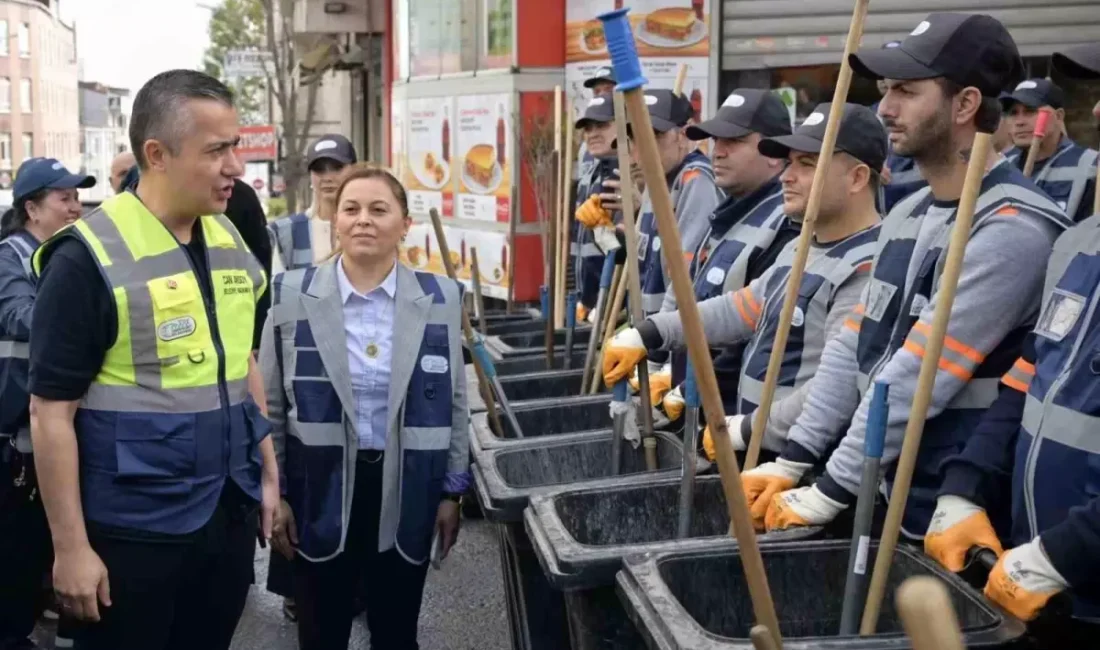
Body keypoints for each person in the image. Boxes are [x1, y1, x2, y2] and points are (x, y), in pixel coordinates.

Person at [737, 13, 1073, 538]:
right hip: (889, 486)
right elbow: (854, 343)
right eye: (886, 89)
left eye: (907, 91)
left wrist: (831, 490)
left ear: (964, 104)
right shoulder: (909, 212)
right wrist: (794, 459)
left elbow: (920, 374)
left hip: (954, 514)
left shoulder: (1012, 229)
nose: (885, 108)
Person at [27, 70, 276, 650]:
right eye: (218, 150)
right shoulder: (85, 260)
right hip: (132, 533)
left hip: (225, 513)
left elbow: (241, 363)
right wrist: (70, 549)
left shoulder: (228, 240)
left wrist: (267, 471)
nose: (235, 166)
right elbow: (49, 414)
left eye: (235, 146)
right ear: (156, 154)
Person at [603, 103, 884, 487]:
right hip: (759, 454)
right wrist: (651, 332)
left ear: (856, 178)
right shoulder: (804, 245)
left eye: (807, 164)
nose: (789, 175)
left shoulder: (867, 266)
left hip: (799, 470)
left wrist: (748, 429)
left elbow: (834, 389)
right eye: (789, 163)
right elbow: (741, 308)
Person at [923, 42, 1100, 644]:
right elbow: (1028, 376)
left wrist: (1069, 551)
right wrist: (965, 486)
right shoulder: (1080, 244)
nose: (1098, 113)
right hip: (1040, 589)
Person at [263, 164, 469, 650]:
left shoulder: (440, 297)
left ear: (404, 224)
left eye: (380, 209)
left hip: (408, 484)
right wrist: (277, 495)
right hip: (319, 486)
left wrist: (451, 492)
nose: (363, 220)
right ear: (334, 220)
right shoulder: (292, 294)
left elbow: (455, 403)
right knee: (321, 630)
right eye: (351, 209)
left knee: (397, 630)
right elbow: (271, 405)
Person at [0, 159, 94, 650]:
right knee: (14, 562)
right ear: (32, 208)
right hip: (15, 443)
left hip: (44, 436)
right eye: (64, 198)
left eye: (78, 198)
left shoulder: (60, 255)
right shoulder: (9, 258)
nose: (76, 207)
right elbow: (21, 317)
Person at [659, 88, 797, 419]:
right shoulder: (729, 214)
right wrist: (664, 365)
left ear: (774, 153)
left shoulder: (785, 225)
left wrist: (688, 392)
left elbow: (754, 334)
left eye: (733, 141)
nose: (717, 152)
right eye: (715, 140)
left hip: (730, 422)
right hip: (696, 409)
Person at [579, 88, 722, 407]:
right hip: (650, 337)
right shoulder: (659, 183)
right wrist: (607, 233)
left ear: (684, 134)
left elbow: (685, 279)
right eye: (636, 138)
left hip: (670, 346)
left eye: (654, 136)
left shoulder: (694, 182)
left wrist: (659, 357)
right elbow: (646, 261)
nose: (641, 150)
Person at [1002, 78, 1098, 223]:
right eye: (1013, 113)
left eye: (1030, 111)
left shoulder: (1091, 165)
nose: (1019, 122)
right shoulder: (1003, 167)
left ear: (1059, 116)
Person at [268, 134, 357, 273]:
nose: (327, 177)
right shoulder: (285, 233)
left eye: (337, 167)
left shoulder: (367, 226)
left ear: (354, 170)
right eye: (319, 169)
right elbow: (278, 289)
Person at [572, 95, 619, 323]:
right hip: (592, 302)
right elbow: (582, 247)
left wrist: (608, 304)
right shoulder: (590, 175)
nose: (592, 133)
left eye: (602, 125)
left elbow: (623, 252)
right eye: (588, 128)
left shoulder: (627, 177)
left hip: (614, 305)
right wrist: (584, 297)